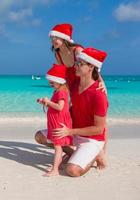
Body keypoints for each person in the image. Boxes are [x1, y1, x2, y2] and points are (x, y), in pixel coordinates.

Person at [35, 23, 108, 166]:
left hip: (83, 78)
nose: (53, 41)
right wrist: (60, 91)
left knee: (100, 117)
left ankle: (102, 153)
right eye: (52, 38)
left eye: (56, 38)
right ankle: (74, 150)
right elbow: (61, 73)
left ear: (65, 38)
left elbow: (91, 66)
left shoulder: (77, 50)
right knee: (70, 112)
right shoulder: (57, 54)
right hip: (71, 82)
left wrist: (101, 82)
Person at [53, 47, 108, 177]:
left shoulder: (99, 95)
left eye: (80, 64)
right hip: (73, 134)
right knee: (41, 136)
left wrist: (69, 131)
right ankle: (75, 153)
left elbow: (99, 129)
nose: (75, 66)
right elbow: (60, 89)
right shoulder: (74, 83)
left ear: (91, 67)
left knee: (72, 171)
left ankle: (96, 155)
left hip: (92, 139)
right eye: (76, 62)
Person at [37, 64, 72, 177]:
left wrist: (48, 102)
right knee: (58, 146)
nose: (50, 84)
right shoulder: (57, 91)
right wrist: (45, 102)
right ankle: (58, 165)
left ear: (60, 81)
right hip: (55, 122)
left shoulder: (61, 92)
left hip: (58, 123)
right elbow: (55, 107)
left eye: (52, 82)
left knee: (57, 147)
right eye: (49, 82)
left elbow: (60, 107)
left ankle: (55, 169)